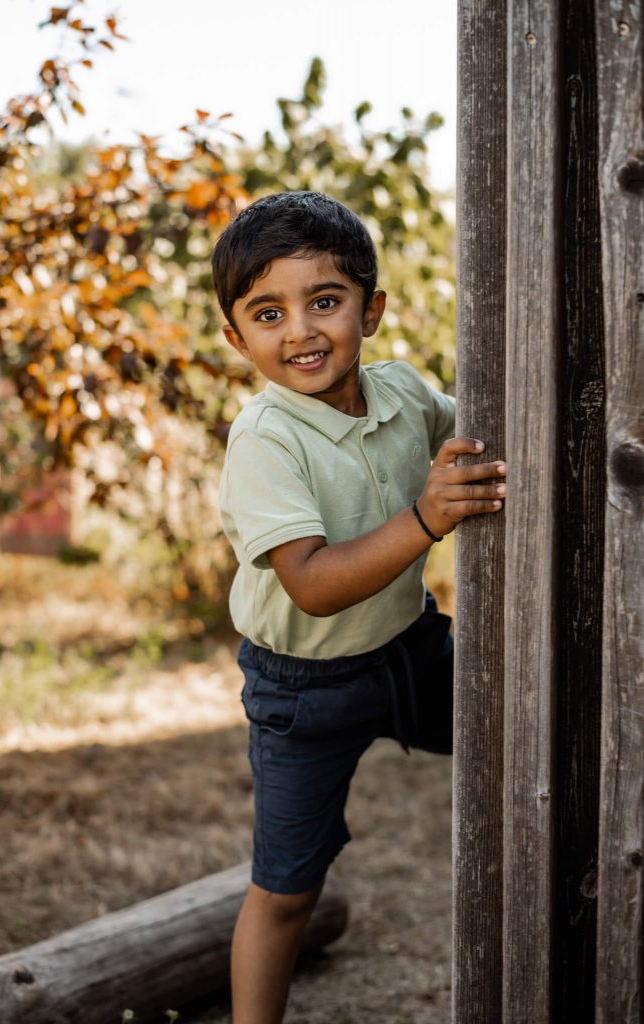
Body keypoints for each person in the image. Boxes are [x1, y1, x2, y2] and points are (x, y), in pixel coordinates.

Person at [212, 191, 506, 1024]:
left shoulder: (404, 394)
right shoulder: (265, 438)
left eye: (325, 301)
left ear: (370, 310)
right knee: (286, 893)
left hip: (407, 651)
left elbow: (480, 446)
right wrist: (425, 517)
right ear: (238, 339)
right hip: (300, 689)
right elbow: (308, 579)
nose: (300, 331)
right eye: (268, 313)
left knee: (533, 741)